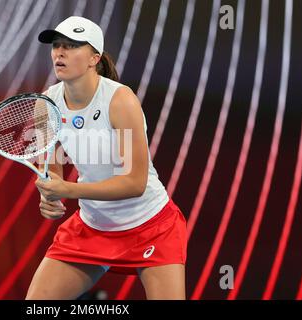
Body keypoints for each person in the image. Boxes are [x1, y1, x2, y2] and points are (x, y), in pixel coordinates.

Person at [26, 16, 187, 300]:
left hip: (151, 225)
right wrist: (49, 196)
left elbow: (133, 183)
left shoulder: (119, 101)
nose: (59, 53)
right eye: (57, 45)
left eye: (72, 46)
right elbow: (51, 169)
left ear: (94, 58)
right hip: (92, 226)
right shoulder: (46, 104)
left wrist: (70, 190)